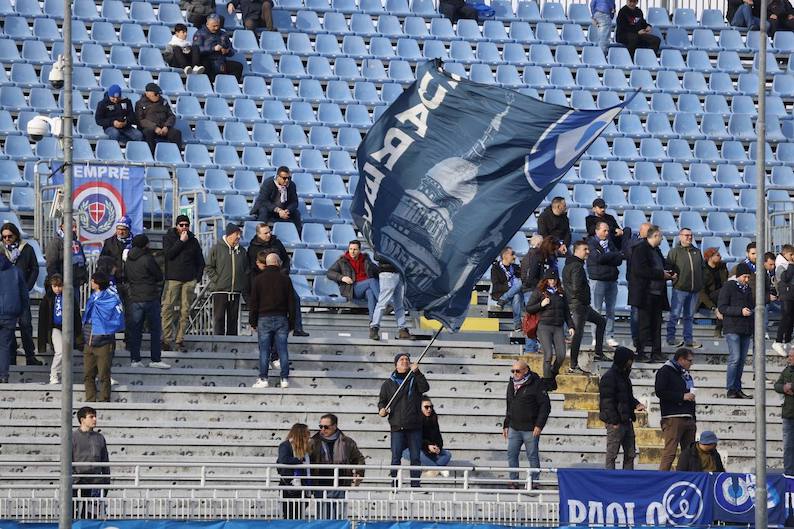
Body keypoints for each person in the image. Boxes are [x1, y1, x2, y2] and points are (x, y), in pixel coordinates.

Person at [378, 353, 430, 488]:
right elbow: (382, 401)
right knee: (396, 457)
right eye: (401, 359)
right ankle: (394, 484)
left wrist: (417, 372)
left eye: (407, 359)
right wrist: (382, 409)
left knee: (415, 457)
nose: (405, 361)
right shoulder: (388, 383)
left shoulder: (415, 378)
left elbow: (425, 388)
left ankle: (415, 484)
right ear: (396, 364)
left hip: (414, 425)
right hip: (397, 426)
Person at [247, 223, 308, 337]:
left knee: (295, 298)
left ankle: (297, 328)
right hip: (264, 282)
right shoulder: (253, 248)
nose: (269, 234)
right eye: (265, 233)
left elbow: (286, 260)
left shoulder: (277, 243)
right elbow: (253, 268)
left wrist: (284, 272)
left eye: (269, 232)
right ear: (258, 234)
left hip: (280, 279)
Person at [629, 225, 675, 363]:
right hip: (645, 294)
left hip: (657, 294)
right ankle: (641, 352)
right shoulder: (640, 250)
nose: (662, 239)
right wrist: (661, 274)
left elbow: (663, 266)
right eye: (660, 236)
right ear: (655, 236)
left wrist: (670, 273)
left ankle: (656, 352)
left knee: (657, 325)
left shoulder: (656, 250)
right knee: (644, 325)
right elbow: (640, 270)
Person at [503, 360, 550, 488]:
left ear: (526, 370)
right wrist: (506, 424)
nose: (515, 373)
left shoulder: (536, 384)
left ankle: (534, 482)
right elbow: (509, 404)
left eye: (518, 371)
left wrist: (539, 425)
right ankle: (513, 481)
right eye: (513, 371)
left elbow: (545, 406)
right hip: (514, 427)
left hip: (530, 428)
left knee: (532, 456)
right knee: (512, 454)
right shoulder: (511, 383)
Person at [250, 253, 295, 389]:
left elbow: (254, 303)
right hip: (281, 318)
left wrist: (253, 322)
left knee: (264, 351)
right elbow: (291, 303)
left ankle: (263, 378)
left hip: (264, 318)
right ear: (277, 263)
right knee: (282, 350)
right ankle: (284, 379)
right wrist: (292, 322)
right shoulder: (286, 280)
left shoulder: (258, 279)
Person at [563, 240, 608, 374]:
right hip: (579, 305)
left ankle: (598, 353)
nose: (588, 252)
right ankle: (573, 365)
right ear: (576, 250)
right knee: (578, 334)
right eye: (585, 249)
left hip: (580, 305)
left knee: (601, 321)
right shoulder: (576, 266)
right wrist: (582, 300)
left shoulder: (570, 265)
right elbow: (576, 288)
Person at [525, 270, 575, 391]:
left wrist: (571, 326)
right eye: (550, 279)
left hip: (558, 327)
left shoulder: (561, 293)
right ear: (546, 280)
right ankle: (547, 381)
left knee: (561, 355)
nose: (552, 281)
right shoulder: (539, 292)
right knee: (548, 354)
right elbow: (529, 308)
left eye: (554, 279)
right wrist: (541, 305)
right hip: (544, 327)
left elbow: (566, 312)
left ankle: (553, 372)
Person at [125, 235, 170, 369]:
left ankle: (135, 359)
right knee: (155, 330)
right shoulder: (147, 258)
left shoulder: (128, 259)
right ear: (145, 245)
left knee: (135, 330)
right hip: (150, 296)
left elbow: (126, 276)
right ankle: (155, 359)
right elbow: (158, 275)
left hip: (135, 297)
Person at [161, 215, 205, 352]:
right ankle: (167, 339)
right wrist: (181, 241)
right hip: (173, 279)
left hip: (189, 280)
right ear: (176, 226)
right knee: (167, 308)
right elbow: (169, 255)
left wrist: (197, 277)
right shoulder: (168, 238)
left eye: (187, 225)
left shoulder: (193, 240)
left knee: (185, 311)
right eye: (181, 225)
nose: (184, 227)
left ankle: (180, 339)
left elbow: (200, 261)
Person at [310, 413, 365, 518]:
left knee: (339, 517)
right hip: (320, 484)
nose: (323, 429)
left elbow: (358, 459)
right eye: (320, 426)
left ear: (334, 426)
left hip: (340, 484)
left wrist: (359, 473)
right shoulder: (313, 441)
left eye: (326, 427)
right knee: (322, 516)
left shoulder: (347, 442)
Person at [1, 222, 41, 366]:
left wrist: (27, 286)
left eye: (9, 236)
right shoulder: (1, 250)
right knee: (8, 327)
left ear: (16, 235)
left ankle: (30, 356)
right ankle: (11, 355)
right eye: (4, 237)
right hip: (5, 296)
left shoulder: (27, 248)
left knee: (26, 324)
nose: (7, 239)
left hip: (21, 294)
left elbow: (35, 268)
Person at [599, 346, 645, 469]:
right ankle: (609, 477)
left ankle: (627, 476)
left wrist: (636, 404)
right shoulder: (609, 377)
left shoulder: (624, 377)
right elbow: (607, 402)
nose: (631, 363)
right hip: (616, 422)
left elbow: (628, 397)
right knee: (612, 454)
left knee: (630, 453)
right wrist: (614, 421)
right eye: (630, 360)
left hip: (627, 420)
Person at [82, 271, 124, 402]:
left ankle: (104, 399)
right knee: (88, 374)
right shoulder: (92, 297)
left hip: (104, 342)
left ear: (98, 283)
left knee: (103, 374)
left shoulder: (110, 298)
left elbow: (114, 317)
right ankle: (90, 399)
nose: (91, 283)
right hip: (89, 340)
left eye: (93, 281)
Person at [327, 240, 381, 340]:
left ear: (359, 250)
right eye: (350, 249)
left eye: (355, 249)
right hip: (352, 288)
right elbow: (329, 273)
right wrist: (342, 277)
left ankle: (373, 326)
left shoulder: (366, 259)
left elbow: (377, 271)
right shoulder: (342, 261)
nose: (352, 251)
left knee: (370, 293)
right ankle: (383, 303)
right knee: (371, 281)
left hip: (366, 289)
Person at [654, 347, 697, 471]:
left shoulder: (686, 374)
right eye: (689, 360)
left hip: (688, 416)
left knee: (689, 454)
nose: (691, 364)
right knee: (670, 452)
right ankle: (662, 478)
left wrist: (693, 417)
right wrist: (681, 396)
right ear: (681, 359)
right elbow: (660, 391)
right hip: (673, 417)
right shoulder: (665, 371)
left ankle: (685, 477)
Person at [718, 262, 754, 399]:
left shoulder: (748, 289)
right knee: (735, 358)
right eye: (745, 277)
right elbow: (722, 307)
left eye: (748, 277)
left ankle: (737, 388)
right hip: (732, 327)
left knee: (741, 359)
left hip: (745, 329)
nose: (747, 279)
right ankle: (731, 388)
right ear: (738, 276)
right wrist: (740, 311)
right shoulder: (728, 286)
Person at [38, 274, 82, 385]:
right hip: (55, 328)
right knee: (60, 352)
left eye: (59, 286)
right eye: (55, 286)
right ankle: (54, 374)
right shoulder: (47, 298)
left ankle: (64, 375)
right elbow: (43, 319)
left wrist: (78, 333)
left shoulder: (69, 296)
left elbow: (76, 315)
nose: (57, 289)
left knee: (67, 353)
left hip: (68, 328)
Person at [206, 223, 249, 335]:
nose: (239, 237)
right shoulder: (216, 248)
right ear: (229, 234)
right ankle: (218, 343)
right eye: (237, 234)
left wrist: (241, 282)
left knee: (233, 321)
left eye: (239, 234)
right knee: (219, 319)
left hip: (236, 292)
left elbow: (246, 269)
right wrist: (218, 280)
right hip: (220, 291)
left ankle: (232, 343)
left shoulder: (242, 251)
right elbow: (209, 267)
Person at [665, 228, 704, 349]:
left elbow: (702, 268)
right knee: (675, 314)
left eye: (691, 235)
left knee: (689, 316)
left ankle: (688, 339)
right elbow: (668, 267)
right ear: (680, 236)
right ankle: (670, 338)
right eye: (686, 235)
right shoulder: (674, 252)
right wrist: (674, 278)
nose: (689, 237)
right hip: (680, 288)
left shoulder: (697, 252)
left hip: (694, 290)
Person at [587, 221, 623, 348]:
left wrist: (609, 256)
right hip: (598, 280)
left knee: (610, 310)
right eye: (604, 230)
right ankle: (596, 337)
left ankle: (609, 336)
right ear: (597, 231)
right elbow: (598, 258)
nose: (607, 233)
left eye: (608, 230)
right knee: (596, 310)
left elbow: (619, 260)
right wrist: (612, 256)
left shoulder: (610, 243)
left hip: (611, 279)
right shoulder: (591, 243)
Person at [100, 216, 133, 344]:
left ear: (128, 230)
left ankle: (129, 340)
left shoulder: (134, 242)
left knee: (130, 312)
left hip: (130, 282)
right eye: (119, 228)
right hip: (114, 282)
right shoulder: (109, 242)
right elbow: (102, 261)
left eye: (124, 229)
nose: (121, 231)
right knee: (112, 311)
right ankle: (110, 341)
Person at [72, 406, 110, 519]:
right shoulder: (72, 437)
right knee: (72, 516)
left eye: (95, 416)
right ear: (82, 420)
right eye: (91, 417)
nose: (95, 419)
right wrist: (74, 479)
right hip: (77, 482)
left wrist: (106, 481)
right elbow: (67, 460)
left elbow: (105, 460)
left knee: (91, 517)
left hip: (95, 482)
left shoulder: (99, 437)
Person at [403, 397, 452, 477]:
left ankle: (432, 470)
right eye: (426, 407)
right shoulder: (413, 419)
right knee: (419, 454)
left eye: (431, 407)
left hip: (427, 449)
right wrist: (428, 446)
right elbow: (415, 440)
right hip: (409, 449)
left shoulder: (433, 419)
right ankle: (438, 469)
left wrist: (437, 447)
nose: (429, 409)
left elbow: (438, 437)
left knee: (447, 454)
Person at [0, 254, 28, 383]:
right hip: (10, 314)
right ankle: (3, 376)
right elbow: (24, 295)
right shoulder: (16, 271)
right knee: (5, 346)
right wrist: (21, 313)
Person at [371, 255, 413, 340]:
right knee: (383, 302)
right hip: (387, 272)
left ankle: (402, 329)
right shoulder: (383, 246)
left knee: (399, 303)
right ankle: (374, 327)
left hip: (399, 272)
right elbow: (377, 256)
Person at [250, 167, 303, 233]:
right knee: (263, 211)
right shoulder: (268, 183)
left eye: (289, 178)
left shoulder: (292, 185)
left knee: (296, 213)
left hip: (283, 210)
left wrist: (287, 210)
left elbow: (294, 202)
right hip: (269, 209)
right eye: (284, 178)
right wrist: (278, 210)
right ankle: (260, 234)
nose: (287, 180)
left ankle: (298, 234)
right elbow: (263, 201)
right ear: (278, 177)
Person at [135, 83, 182, 155]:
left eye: (159, 94)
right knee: (148, 132)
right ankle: (152, 155)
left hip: (163, 128)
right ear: (148, 93)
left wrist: (166, 126)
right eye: (156, 94)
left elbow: (171, 116)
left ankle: (176, 155)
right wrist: (155, 127)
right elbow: (141, 120)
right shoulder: (140, 104)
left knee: (176, 133)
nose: (158, 96)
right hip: (150, 128)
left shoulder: (164, 102)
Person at [194, 14, 243, 82]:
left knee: (238, 66)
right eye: (214, 26)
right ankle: (208, 84)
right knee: (205, 65)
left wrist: (227, 51)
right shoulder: (200, 33)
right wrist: (213, 48)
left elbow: (231, 50)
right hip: (207, 61)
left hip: (220, 61)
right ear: (207, 24)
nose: (216, 28)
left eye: (217, 25)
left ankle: (231, 85)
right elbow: (196, 50)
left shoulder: (223, 34)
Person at [276, 423, 311, 520]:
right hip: (289, 485)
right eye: (307, 433)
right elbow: (283, 459)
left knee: (300, 514)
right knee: (289, 514)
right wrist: (299, 461)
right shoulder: (285, 445)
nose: (309, 435)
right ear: (300, 434)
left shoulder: (306, 448)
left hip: (303, 486)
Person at [45, 218, 89, 294]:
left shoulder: (77, 242)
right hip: (61, 285)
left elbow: (82, 261)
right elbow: (51, 264)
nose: (74, 229)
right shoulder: (55, 242)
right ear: (63, 226)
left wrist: (83, 276)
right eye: (72, 227)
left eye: (75, 227)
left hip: (75, 284)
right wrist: (57, 282)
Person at [626, 222, 651, 350]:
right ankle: (636, 339)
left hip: (647, 284)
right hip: (635, 283)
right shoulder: (634, 244)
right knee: (635, 312)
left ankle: (646, 338)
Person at [491, 247, 524, 332]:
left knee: (518, 289)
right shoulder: (496, 268)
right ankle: (517, 324)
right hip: (500, 294)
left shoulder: (516, 267)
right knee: (517, 290)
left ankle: (503, 300)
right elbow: (496, 286)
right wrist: (509, 287)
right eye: (512, 254)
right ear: (504, 256)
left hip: (513, 298)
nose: (514, 257)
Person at [699, 247, 728, 337]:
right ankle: (719, 329)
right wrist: (713, 307)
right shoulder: (702, 270)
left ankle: (719, 329)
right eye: (718, 255)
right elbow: (701, 293)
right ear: (710, 257)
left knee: (725, 295)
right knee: (723, 294)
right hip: (707, 299)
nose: (720, 257)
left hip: (721, 298)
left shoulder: (722, 267)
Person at [774, 347, 794, 476]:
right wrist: (784, 388)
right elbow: (777, 385)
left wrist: (791, 386)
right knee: (788, 447)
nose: (789, 359)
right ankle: (789, 474)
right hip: (788, 414)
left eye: (791, 356)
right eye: (789, 356)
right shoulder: (787, 370)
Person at [775, 249, 794, 356]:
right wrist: (791, 265)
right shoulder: (781, 265)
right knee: (785, 318)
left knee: (790, 319)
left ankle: (787, 340)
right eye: (791, 254)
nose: (792, 257)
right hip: (786, 295)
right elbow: (785, 278)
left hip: (791, 295)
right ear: (784, 253)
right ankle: (778, 341)